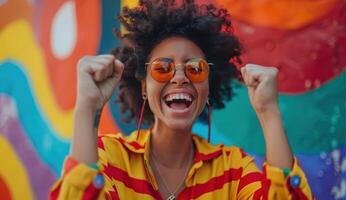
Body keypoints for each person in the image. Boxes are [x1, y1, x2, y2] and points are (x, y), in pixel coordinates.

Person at [50, 0, 313, 199]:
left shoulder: (233, 169)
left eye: (195, 68)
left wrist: (269, 112)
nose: (179, 78)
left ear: (208, 87)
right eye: (162, 68)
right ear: (143, 86)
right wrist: (86, 109)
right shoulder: (110, 157)